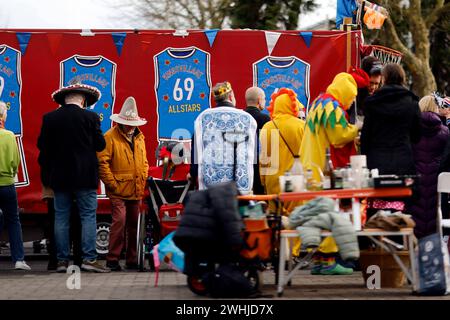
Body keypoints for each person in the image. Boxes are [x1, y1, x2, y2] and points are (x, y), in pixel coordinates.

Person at [37, 83, 109, 273]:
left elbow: (42, 146)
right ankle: (89, 259)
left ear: (64, 101)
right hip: (85, 176)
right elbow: (100, 145)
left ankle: (61, 261)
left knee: (61, 218)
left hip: (59, 177)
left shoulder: (49, 118)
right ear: (83, 100)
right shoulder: (91, 117)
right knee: (87, 216)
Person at [300, 72, 359, 275]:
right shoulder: (332, 106)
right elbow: (338, 136)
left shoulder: (319, 102)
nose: (351, 103)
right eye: (351, 98)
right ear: (345, 93)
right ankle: (328, 262)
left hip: (310, 162)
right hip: (321, 167)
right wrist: (356, 128)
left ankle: (317, 261)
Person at [97, 97, 149, 271]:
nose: (131, 126)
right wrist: (111, 184)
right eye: (128, 123)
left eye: (133, 122)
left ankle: (132, 260)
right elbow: (102, 162)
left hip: (136, 189)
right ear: (121, 122)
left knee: (134, 225)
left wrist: (144, 176)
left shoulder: (140, 137)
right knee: (119, 222)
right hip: (118, 189)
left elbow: (145, 161)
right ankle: (112, 259)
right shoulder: (110, 137)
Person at [190, 81, 257, 194]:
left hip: (210, 188)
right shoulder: (247, 119)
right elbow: (254, 153)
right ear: (231, 96)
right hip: (239, 187)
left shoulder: (202, 118)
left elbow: (196, 152)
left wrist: (193, 174)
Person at [360, 63, 421, 176]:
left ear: (384, 79)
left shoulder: (372, 103)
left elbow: (365, 137)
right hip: (403, 160)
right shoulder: (412, 102)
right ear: (402, 78)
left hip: (376, 162)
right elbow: (417, 135)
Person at [259, 88, 305, 213]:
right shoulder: (302, 126)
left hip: (273, 180)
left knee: (277, 222)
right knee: (296, 218)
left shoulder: (267, 127)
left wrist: (263, 180)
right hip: (296, 179)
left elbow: (264, 158)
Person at [409, 95, 449, 239]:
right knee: (435, 210)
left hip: (416, 179)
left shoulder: (411, 131)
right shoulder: (445, 132)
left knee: (418, 212)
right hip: (436, 182)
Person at [0, 101, 30, 270]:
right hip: (6, 184)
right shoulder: (9, 135)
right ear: (3, 116)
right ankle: (18, 259)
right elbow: (15, 162)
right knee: (13, 221)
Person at [244, 86, 270, 195]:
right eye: (264, 98)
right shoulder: (265, 119)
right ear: (259, 100)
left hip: (244, 166)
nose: (265, 101)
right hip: (260, 166)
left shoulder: (241, 117)